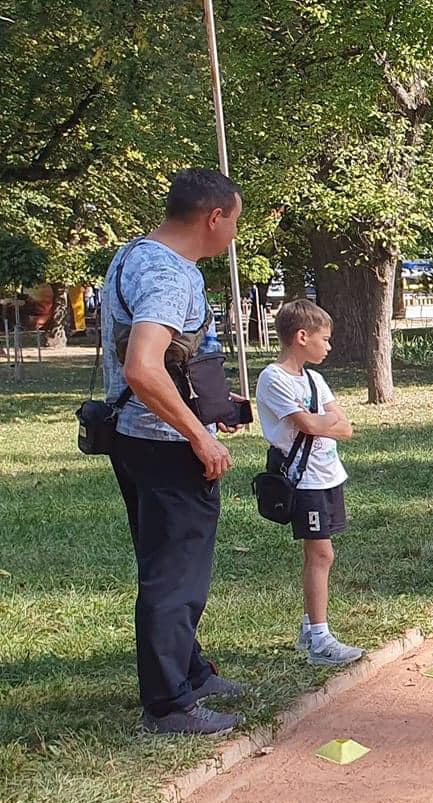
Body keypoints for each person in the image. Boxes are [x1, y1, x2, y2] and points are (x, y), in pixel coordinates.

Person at [102, 168, 250, 735]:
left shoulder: (135, 256)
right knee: (175, 576)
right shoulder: (170, 274)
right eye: (234, 221)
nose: (233, 233)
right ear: (214, 217)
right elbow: (143, 367)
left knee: (166, 565)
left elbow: (165, 360)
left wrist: (212, 401)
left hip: (133, 436)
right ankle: (168, 705)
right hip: (166, 445)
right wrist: (198, 433)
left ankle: (190, 671)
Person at [255, 300, 365, 668]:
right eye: (325, 339)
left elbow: (344, 427)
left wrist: (323, 422)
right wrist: (322, 422)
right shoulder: (274, 378)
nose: (329, 347)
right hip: (303, 481)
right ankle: (319, 636)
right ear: (302, 337)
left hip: (328, 475)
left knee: (323, 553)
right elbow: (312, 425)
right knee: (321, 554)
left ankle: (310, 628)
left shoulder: (315, 380)